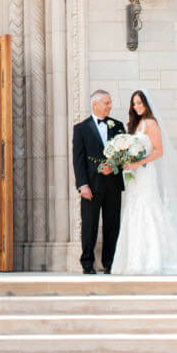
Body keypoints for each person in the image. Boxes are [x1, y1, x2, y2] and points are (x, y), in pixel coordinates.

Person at [111, 90, 177, 276]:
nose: (137, 106)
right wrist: (125, 161)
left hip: (146, 174)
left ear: (146, 104)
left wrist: (137, 163)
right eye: (134, 103)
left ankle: (152, 260)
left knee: (147, 210)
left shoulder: (151, 123)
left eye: (140, 103)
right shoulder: (135, 125)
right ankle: (131, 260)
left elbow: (158, 151)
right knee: (133, 211)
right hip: (134, 177)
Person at [71, 89, 125, 274]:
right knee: (89, 225)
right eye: (106, 102)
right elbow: (78, 160)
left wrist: (115, 165)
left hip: (113, 185)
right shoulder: (80, 129)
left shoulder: (118, 126)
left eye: (110, 102)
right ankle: (87, 263)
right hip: (91, 186)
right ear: (95, 104)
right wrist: (82, 185)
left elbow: (124, 154)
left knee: (112, 224)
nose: (110, 106)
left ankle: (110, 263)